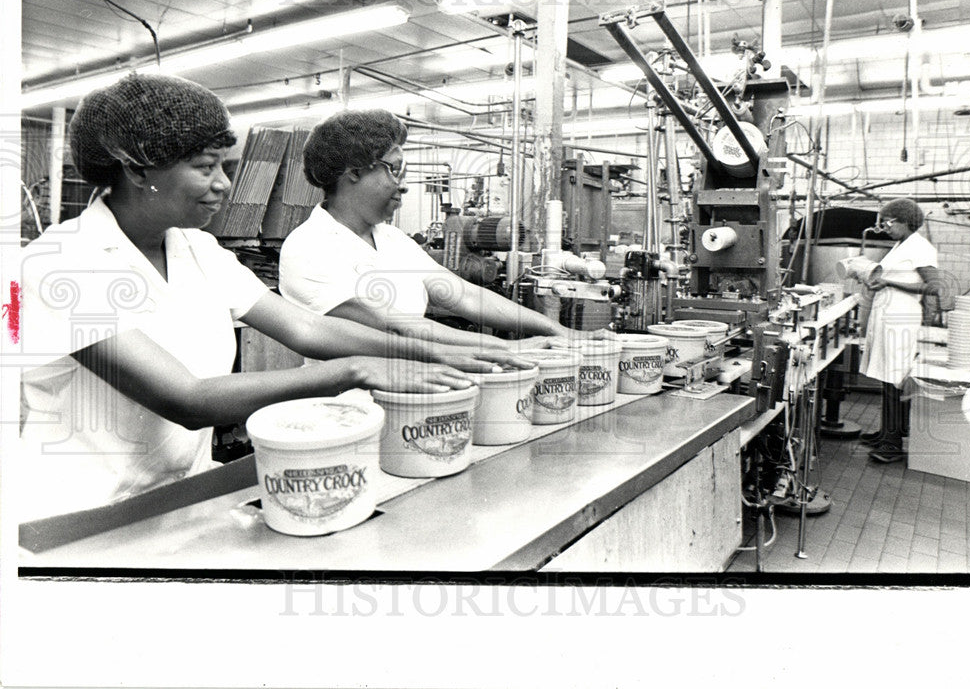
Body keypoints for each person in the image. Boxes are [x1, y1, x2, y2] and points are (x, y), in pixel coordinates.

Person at [18, 74, 524, 521]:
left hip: (180, 499)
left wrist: (436, 351)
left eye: (225, 166)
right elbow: (187, 399)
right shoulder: (62, 262)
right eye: (204, 167)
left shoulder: (195, 247)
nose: (223, 186)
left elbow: (305, 327)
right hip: (76, 515)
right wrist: (355, 369)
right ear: (137, 170)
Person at [279, 109, 602, 353]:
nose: (403, 185)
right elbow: (397, 329)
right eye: (394, 169)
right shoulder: (309, 248)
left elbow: (464, 295)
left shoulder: (391, 239)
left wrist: (554, 329)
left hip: (423, 392)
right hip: (348, 411)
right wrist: (510, 348)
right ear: (354, 172)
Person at [858, 198, 944, 463]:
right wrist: (878, 283)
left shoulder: (921, 247)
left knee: (894, 379)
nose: (886, 226)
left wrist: (889, 283)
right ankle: (887, 432)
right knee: (887, 378)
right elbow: (895, 278)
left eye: (889, 221)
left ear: (905, 221)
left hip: (902, 320)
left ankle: (892, 444)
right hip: (888, 319)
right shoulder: (901, 244)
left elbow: (934, 286)